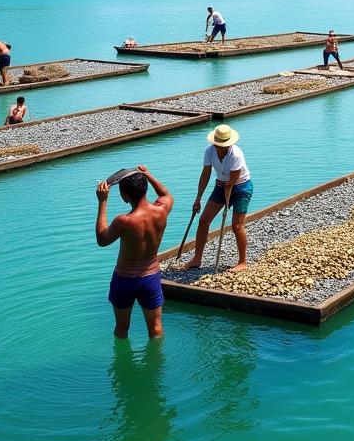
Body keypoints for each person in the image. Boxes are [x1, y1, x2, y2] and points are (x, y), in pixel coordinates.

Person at [96, 165, 174, 339]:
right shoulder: (162, 210)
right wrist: (149, 174)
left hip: (124, 280)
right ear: (146, 188)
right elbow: (166, 195)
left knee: (122, 329)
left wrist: (102, 202)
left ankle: (121, 365)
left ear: (125, 197)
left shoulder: (124, 221)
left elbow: (102, 239)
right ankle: (156, 365)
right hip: (150, 277)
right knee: (156, 329)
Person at [182, 124, 254, 270]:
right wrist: (198, 198)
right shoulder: (209, 151)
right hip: (221, 185)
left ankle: (242, 262)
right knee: (203, 221)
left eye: (223, 146)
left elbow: (232, 182)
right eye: (218, 145)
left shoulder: (236, 154)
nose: (220, 148)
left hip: (241, 187)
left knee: (237, 226)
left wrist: (226, 206)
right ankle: (197, 259)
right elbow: (206, 174)